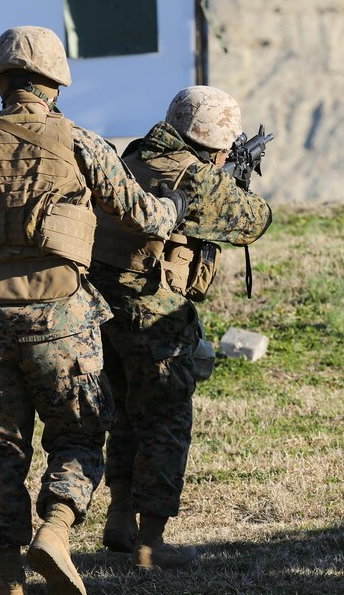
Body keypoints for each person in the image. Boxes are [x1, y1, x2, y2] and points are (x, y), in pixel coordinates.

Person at [0, 25, 187, 595]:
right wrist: (174, 210)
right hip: (64, 319)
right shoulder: (80, 142)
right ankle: (56, 531)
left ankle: (9, 586)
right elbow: (139, 213)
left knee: (1, 451)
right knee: (79, 433)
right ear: (55, 82)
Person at [90, 86, 272, 568]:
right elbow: (253, 222)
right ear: (214, 141)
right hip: (154, 314)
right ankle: (151, 542)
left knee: (127, 415)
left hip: (101, 311)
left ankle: (119, 519)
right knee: (166, 422)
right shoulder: (194, 175)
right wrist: (233, 183)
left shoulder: (131, 157)